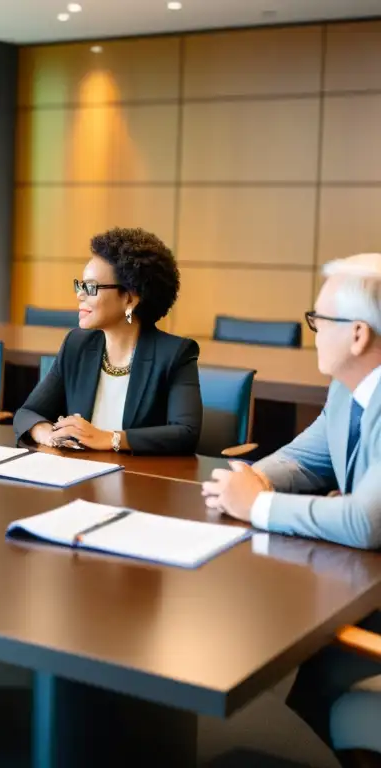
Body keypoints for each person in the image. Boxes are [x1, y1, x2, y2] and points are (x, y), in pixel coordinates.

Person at [202, 253, 381, 757]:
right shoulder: (349, 389)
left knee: (295, 672)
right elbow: (306, 458)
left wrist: (257, 507)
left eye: (320, 320)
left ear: (358, 335)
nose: (313, 332)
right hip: (365, 584)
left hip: (373, 603)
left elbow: (366, 521)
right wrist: (251, 478)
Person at [13, 227, 202, 456]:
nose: (80, 295)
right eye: (80, 285)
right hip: (77, 475)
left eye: (91, 287)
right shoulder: (77, 344)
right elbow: (28, 413)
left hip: (139, 481)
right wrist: (47, 434)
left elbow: (186, 433)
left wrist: (109, 438)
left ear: (129, 298)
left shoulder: (175, 354)